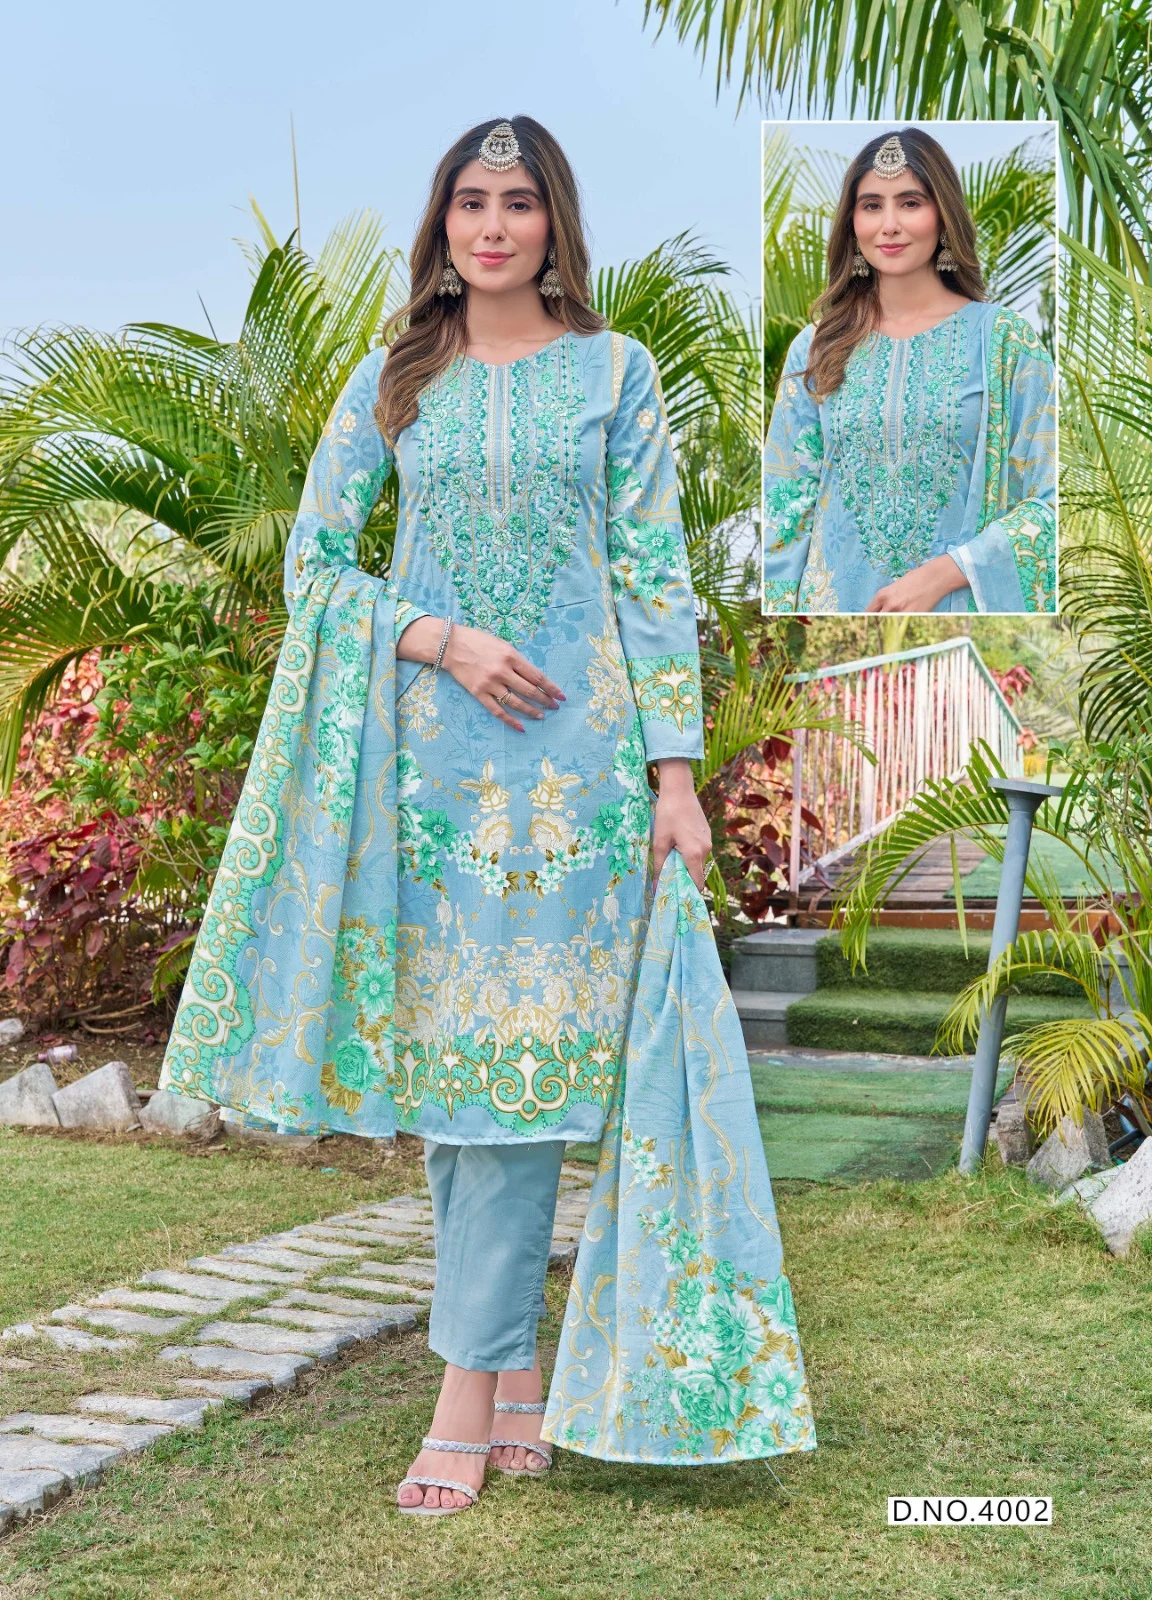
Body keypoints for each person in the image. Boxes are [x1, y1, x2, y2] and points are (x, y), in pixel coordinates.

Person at [158, 115, 712, 1515]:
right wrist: (436, 638)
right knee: (464, 1076)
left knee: (524, 1073)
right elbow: (312, 564)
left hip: (580, 776)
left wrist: (676, 774)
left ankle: (467, 1388)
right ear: (443, 223)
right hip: (433, 772)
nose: (493, 226)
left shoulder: (618, 373)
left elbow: (654, 575)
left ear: (554, 222)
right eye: (471, 201)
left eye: (518, 203)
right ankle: (507, 1372)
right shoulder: (398, 375)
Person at [762, 126, 1056, 615]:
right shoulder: (817, 347)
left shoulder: (1005, 342)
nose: (889, 225)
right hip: (835, 621)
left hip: (959, 611)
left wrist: (947, 572)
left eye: (911, 203)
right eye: (871, 205)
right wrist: (782, 620)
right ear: (852, 222)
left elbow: (1051, 502)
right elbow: (785, 505)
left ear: (943, 216)